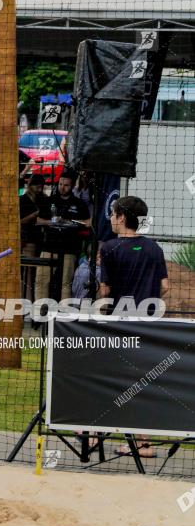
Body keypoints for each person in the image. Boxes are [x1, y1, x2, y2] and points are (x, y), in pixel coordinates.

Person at [99, 196, 169, 459]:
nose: (111, 219)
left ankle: (97, 437)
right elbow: (164, 286)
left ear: (121, 217)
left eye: (113, 214)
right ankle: (141, 442)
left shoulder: (110, 248)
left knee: (109, 380)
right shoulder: (154, 248)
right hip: (149, 325)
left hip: (120, 325)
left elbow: (105, 291)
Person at [35, 170, 91, 301]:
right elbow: (37, 220)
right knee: (41, 281)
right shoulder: (49, 201)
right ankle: (38, 312)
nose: (62, 187)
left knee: (66, 283)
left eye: (66, 185)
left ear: (72, 186)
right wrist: (52, 221)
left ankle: (63, 313)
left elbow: (88, 223)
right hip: (48, 246)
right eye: (60, 184)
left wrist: (69, 222)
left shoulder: (79, 203)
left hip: (69, 247)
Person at [20, 174, 45, 301]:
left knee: (39, 273)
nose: (39, 189)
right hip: (27, 238)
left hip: (41, 239)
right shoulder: (23, 200)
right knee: (28, 272)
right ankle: (27, 300)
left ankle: (34, 300)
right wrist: (35, 215)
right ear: (30, 186)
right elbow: (20, 221)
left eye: (41, 187)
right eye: (36, 186)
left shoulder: (43, 199)